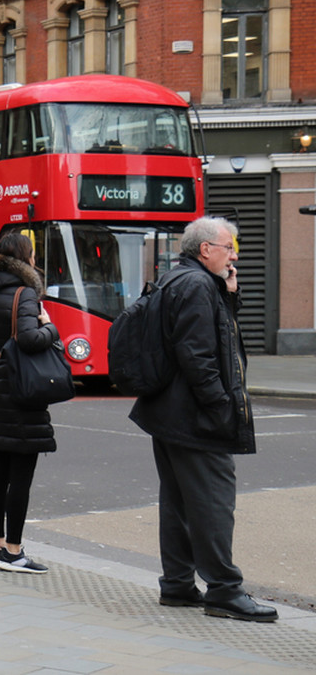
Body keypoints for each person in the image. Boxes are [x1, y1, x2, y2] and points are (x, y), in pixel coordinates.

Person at [129, 217, 276, 622]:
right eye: (229, 247)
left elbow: (208, 335)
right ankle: (225, 591)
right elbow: (198, 355)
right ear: (205, 249)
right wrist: (220, 406)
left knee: (177, 501)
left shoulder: (180, 279)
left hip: (169, 411)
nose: (234, 256)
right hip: (194, 415)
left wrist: (228, 294)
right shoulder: (195, 286)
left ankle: (177, 585)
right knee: (213, 502)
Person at [0, 232, 59, 574]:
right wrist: (51, 329)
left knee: (0, 468)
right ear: (25, 258)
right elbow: (28, 338)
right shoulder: (24, 295)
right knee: (21, 473)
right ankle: (14, 550)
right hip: (21, 388)